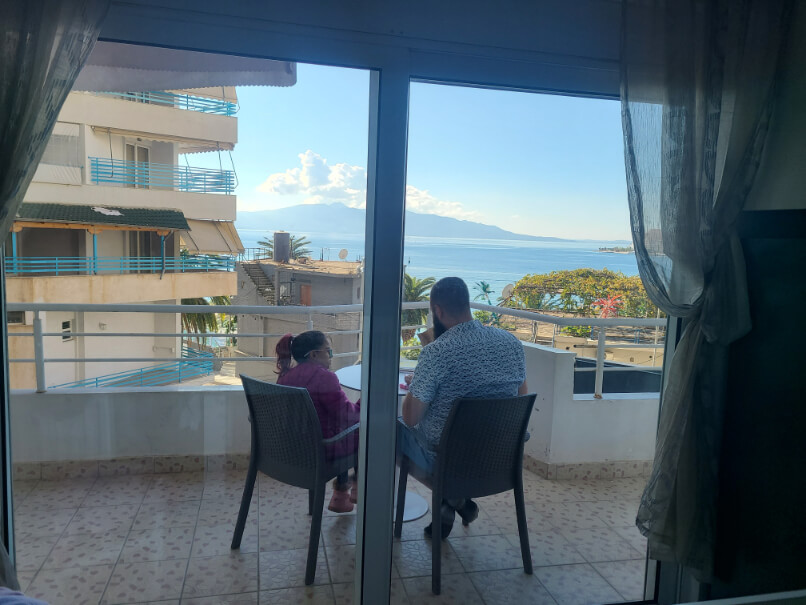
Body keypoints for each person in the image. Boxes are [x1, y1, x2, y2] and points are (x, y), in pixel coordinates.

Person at [400, 277, 527, 538]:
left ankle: (457, 501)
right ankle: (453, 504)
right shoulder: (511, 343)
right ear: (467, 305)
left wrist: (417, 386)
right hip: (500, 458)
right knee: (461, 435)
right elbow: (520, 396)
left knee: (393, 432)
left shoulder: (437, 352)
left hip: (447, 460)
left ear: (437, 310)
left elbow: (411, 418)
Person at [275, 331, 360, 513]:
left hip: (291, 451)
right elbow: (349, 416)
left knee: (341, 431)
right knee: (364, 431)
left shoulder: (284, 378)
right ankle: (357, 486)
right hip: (320, 452)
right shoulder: (325, 378)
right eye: (328, 352)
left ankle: (341, 496)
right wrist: (365, 400)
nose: (331, 357)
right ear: (314, 355)